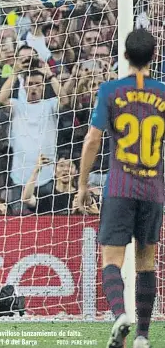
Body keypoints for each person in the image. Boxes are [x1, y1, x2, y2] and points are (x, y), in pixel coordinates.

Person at [77, 29, 163, 348]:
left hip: (120, 187)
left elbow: (92, 140)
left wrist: (83, 184)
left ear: (124, 55)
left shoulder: (110, 90)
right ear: (154, 56)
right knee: (146, 261)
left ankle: (118, 314)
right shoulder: (163, 93)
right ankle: (142, 335)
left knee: (111, 259)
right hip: (153, 190)